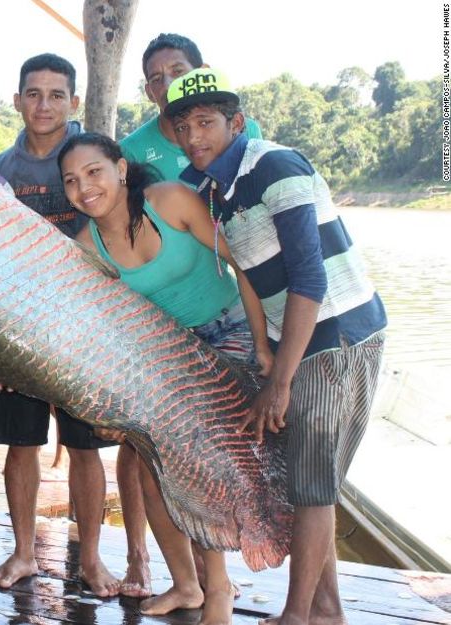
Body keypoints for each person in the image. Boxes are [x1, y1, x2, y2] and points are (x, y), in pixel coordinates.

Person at [166, 68, 387, 625]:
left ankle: (297, 615)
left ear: (235, 122)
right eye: (184, 125)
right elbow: (250, 274)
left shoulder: (275, 166)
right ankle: (327, 609)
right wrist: (265, 348)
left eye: (207, 122)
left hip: (337, 332)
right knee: (304, 477)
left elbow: (309, 279)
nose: (195, 136)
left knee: (313, 484)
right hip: (294, 337)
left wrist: (281, 381)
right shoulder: (212, 188)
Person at [58, 132, 272, 625]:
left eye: (94, 172)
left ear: (121, 169)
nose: (84, 187)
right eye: (71, 181)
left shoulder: (171, 201)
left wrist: (263, 346)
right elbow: (99, 334)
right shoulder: (85, 248)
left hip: (231, 330)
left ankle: (218, 587)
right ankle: (187, 585)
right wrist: (106, 407)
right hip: (167, 352)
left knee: (193, 458)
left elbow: (244, 266)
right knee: (154, 474)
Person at [0, 52, 148, 598]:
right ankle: (25, 551)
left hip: (88, 329)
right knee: (20, 443)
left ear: (74, 102)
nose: (43, 104)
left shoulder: (94, 157)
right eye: (33, 93)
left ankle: (93, 559)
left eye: (56, 95)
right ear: (17, 100)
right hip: (20, 327)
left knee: (84, 447)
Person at [120, 33, 262, 182]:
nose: (168, 85)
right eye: (156, 79)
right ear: (149, 93)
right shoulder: (131, 152)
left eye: (177, 72)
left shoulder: (245, 130)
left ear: (203, 73)